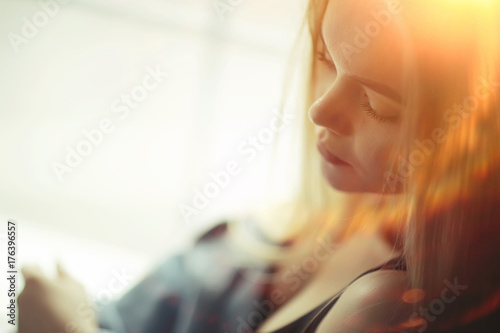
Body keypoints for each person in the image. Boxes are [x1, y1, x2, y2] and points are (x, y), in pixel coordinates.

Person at [18, 0, 500, 332]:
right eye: (326, 59)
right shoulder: (337, 211)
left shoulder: (383, 306)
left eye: (378, 104)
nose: (321, 111)